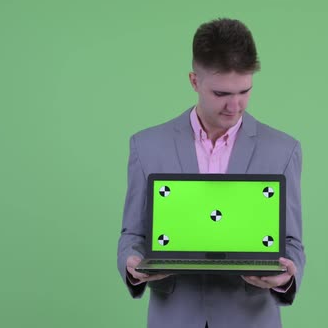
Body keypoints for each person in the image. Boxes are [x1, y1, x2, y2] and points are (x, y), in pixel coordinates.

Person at [117, 18, 305, 328]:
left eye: (244, 91)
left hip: (250, 318)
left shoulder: (283, 150)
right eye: (221, 94)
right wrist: (132, 263)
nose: (235, 106)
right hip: (174, 317)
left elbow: (292, 243)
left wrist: (285, 276)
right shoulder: (146, 146)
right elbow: (133, 235)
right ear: (194, 81)